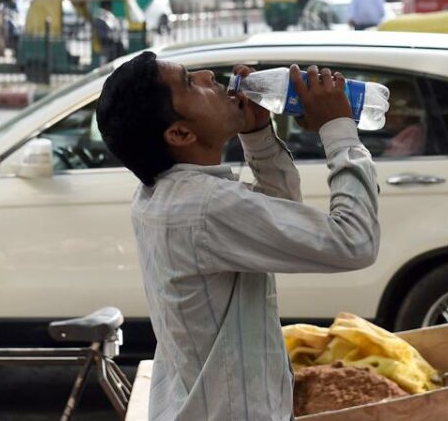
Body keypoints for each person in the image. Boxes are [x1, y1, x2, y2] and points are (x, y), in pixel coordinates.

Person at [95, 52, 379, 420]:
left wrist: (258, 134)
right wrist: (339, 130)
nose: (208, 75)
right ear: (180, 133)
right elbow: (355, 242)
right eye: (188, 82)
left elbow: (277, 222)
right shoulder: (205, 206)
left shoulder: (163, 193)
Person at [383, 79, 426, 157]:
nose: (383, 113)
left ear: (404, 113)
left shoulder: (412, 136)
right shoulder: (409, 134)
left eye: (389, 108)